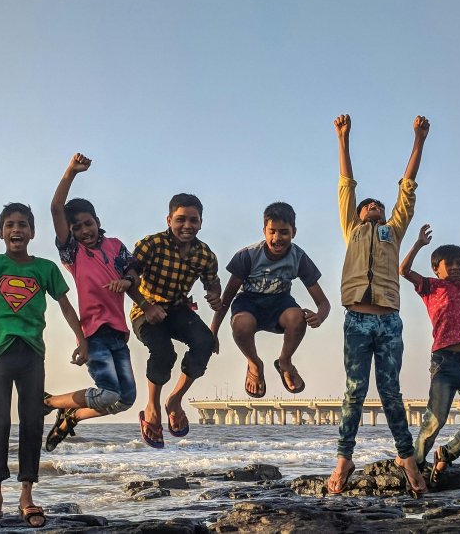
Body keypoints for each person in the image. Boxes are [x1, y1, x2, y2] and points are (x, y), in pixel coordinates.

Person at [0, 204, 88, 528]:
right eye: (10, 225)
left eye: (23, 225)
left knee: (31, 424)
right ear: (1, 232)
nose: (17, 230)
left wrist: (82, 339)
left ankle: (27, 496)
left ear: (32, 232)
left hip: (31, 353)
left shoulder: (45, 269)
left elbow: (66, 307)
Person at [326, 114, 429, 497]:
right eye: (366, 206)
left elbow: (407, 190)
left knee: (390, 392)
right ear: (358, 214)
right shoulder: (352, 228)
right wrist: (343, 138)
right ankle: (343, 459)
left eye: (377, 206)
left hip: (388, 323)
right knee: (354, 391)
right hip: (356, 320)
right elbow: (346, 186)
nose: (371, 207)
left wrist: (418, 140)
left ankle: (406, 458)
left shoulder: (393, 232)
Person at [41, 153, 138, 450]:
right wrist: (71, 171)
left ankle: (71, 417)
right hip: (94, 333)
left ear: (98, 221)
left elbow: (134, 269)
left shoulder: (115, 246)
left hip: (118, 334)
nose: (84, 231)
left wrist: (129, 281)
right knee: (108, 393)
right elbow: (56, 207)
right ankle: (49, 402)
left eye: (88, 224)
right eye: (77, 228)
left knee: (126, 400)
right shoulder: (74, 255)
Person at [402, 224, 460, 485]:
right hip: (444, 363)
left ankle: (447, 453)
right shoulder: (430, 287)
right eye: (450, 264)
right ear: (436, 268)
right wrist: (419, 244)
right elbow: (404, 271)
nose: (456, 267)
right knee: (435, 419)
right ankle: (416, 465)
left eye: (459, 263)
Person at [209, 201, 331, 397]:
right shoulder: (247, 256)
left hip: (279, 304)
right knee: (241, 324)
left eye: (284, 232)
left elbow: (323, 302)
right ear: (264, 230)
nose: (277, 238)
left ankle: (285, 362)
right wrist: (212, 332)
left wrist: (320, 316)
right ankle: (254, 364)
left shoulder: (298, 257)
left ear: (294, 232)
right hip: (248, 303)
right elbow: (226, 299)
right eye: (272, 231)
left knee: (297, 317)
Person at [129, 194, 223, 449]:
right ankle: (152, 408)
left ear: (201, 223)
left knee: (205, 342)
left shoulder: (204, 254)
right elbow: (128, 278)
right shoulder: (152, 244)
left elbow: (213, 282)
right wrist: (147, 306)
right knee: (163, 353)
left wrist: (215, 295)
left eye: (193, 220)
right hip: (146, 311)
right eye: (181, 219)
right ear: (169, 220)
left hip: (179, 309)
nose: (187, 225)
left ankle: (175, 400)